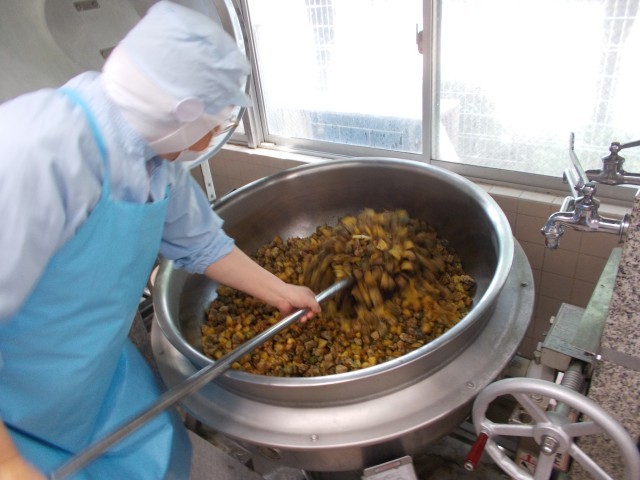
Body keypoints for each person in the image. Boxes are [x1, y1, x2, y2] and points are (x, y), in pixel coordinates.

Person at [0, 2, 321, 479]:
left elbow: (202, 243)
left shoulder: (153, 150)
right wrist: (8, 462)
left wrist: (281, 292)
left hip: (96, 382)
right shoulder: (35, 154)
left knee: (153, 463)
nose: (219, 129)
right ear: (184, 111)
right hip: (17, 411)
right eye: (216, 118)